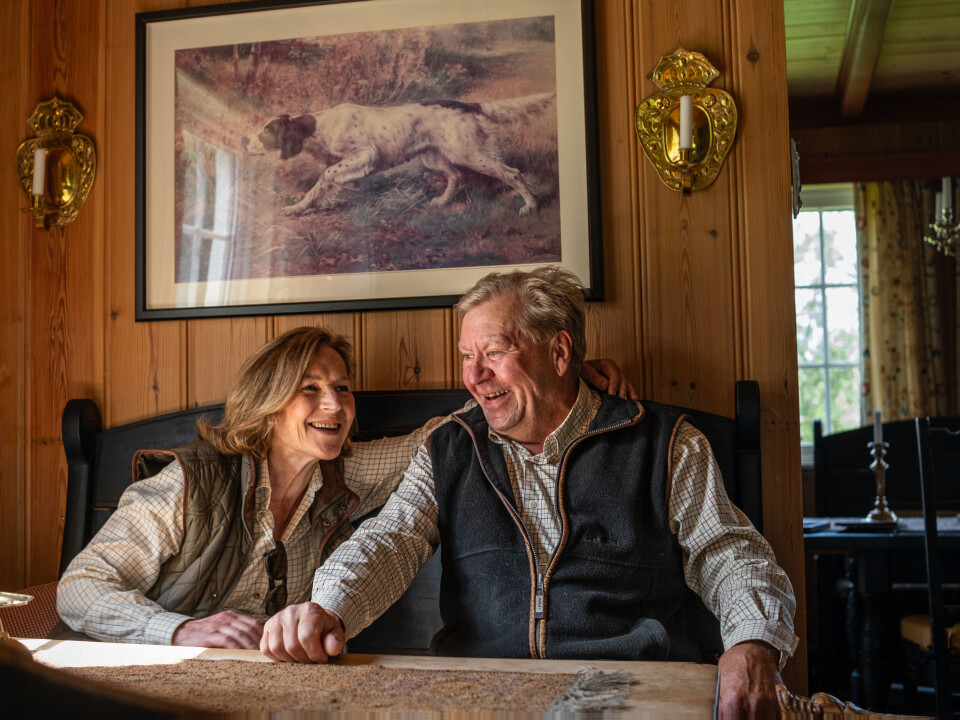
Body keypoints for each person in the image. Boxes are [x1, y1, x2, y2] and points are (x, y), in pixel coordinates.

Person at [260, 267, 799, 719]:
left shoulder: (665, 443)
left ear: (559, 353)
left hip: (628, 691)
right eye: (466, 355)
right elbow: (390, 539)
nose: (474, 375)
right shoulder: (451, 446)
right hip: (481, 695)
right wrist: (328, 606)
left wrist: (752, 643)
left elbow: (729, 554)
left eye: (494, 352)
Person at [57, 324, 631, 648]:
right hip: (140, 685)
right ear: (268, 402)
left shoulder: (342, 475)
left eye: (342, 388)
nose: (335, 404)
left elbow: (441, 437)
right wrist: (179, 629)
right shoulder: (188, 483)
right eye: (310, 389)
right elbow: (79, 588)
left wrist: (548, 380)